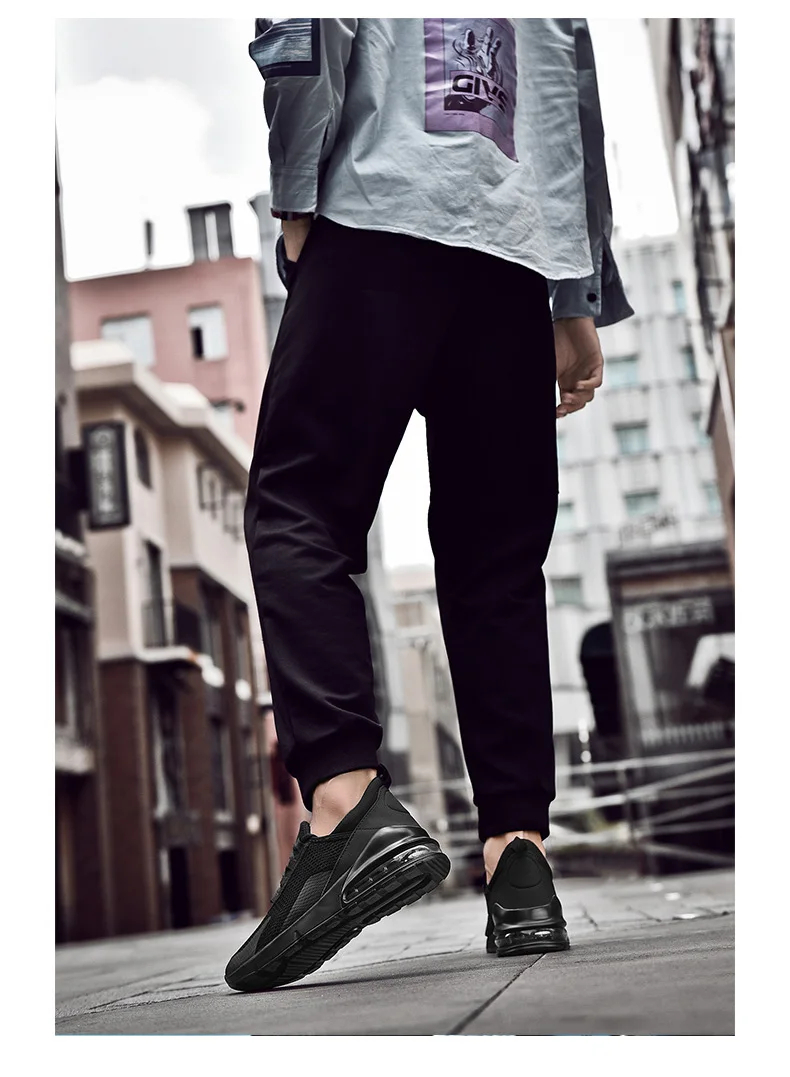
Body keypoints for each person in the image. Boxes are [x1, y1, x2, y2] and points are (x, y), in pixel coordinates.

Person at [225, 17, 633, 993]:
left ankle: (344, 801)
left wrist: (296, 197)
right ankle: (519, 860)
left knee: (300, 505)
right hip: (513, 253)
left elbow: (305, 26)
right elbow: (569, 97)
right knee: (497, 560)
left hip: (375, 210)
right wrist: (575, 296)